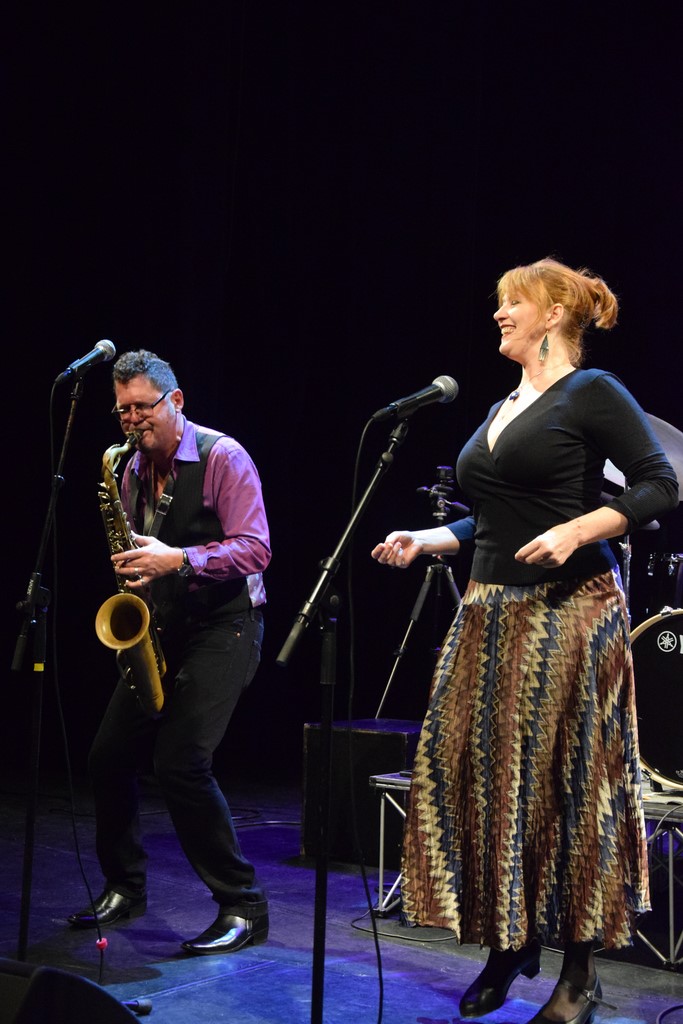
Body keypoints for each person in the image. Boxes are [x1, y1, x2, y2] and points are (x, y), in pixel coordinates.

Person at [371, 258, 678, 1024]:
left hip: (568, 611)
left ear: (553, 314)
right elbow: (495, 512)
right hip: (489, 610)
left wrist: (577, 531)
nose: (499, 313)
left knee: (569, 785)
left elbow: (659, 483)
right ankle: (509, 941)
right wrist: (428, 538)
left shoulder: (592, 390)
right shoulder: (505, 404)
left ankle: (578, 972)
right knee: (481, 777)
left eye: (514, 302)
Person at [68, 349, 272, 956]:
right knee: (107, 757)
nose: (132, 421)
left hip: (227, 625)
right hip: (162, 627)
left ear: (175, 401)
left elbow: (256, 548)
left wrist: (178, 558)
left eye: (142, 407)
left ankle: (242, 904)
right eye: (122, 411)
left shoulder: (223, 456)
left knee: (181, 762)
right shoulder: (126, 468)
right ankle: (124, 886)